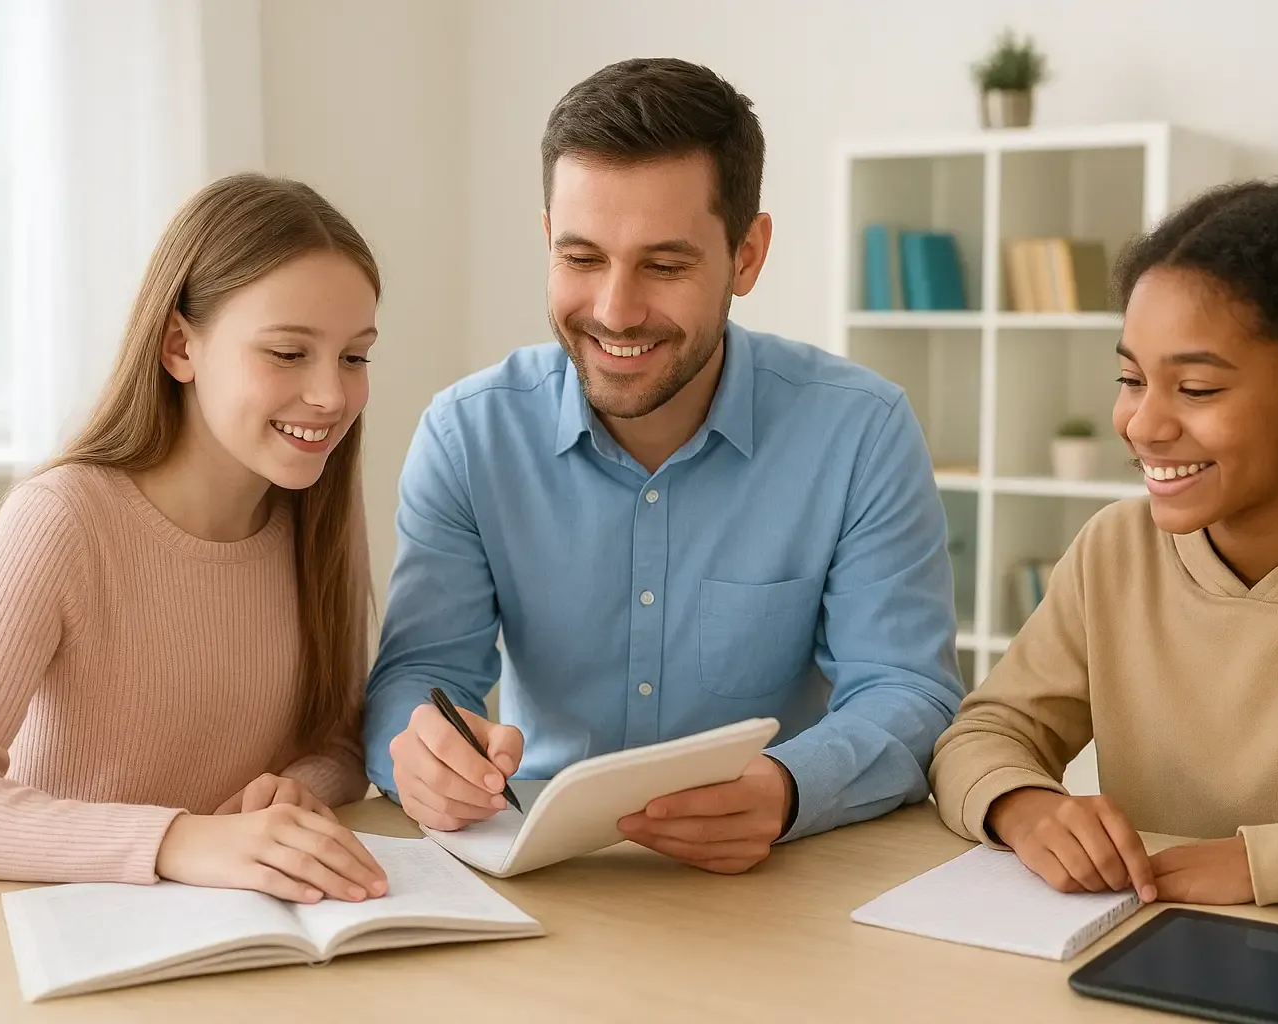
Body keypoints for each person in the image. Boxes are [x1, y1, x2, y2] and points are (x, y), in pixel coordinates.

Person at [365, 57, 963, 873]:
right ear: (547, 239)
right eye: (581, 259)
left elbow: (908, 691)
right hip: (547, 875)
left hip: (777, 880)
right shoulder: (468, 435)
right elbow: (422, 676)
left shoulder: (861, 431)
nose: (615, 311)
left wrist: (789, 788)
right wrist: (422, 756)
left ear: (747, 256)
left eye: (665, 265)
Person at [931, 178, 1278, 917]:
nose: (1143, 424)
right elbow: (986, 732)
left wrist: (1268, 863)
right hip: (1139, 956)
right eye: (1130, 379)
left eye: (1197, 389)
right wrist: (1023, 806)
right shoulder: (1115, 552)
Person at [0, 172, 390, 905]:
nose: (332, 396)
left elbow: (336, 741)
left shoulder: (314, 516)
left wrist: (296, 794)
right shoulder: (63, 518)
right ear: (180, 346)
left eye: (355, 356)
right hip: (62, 944)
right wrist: (181, 839)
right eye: (287, 353)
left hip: (228, 938)